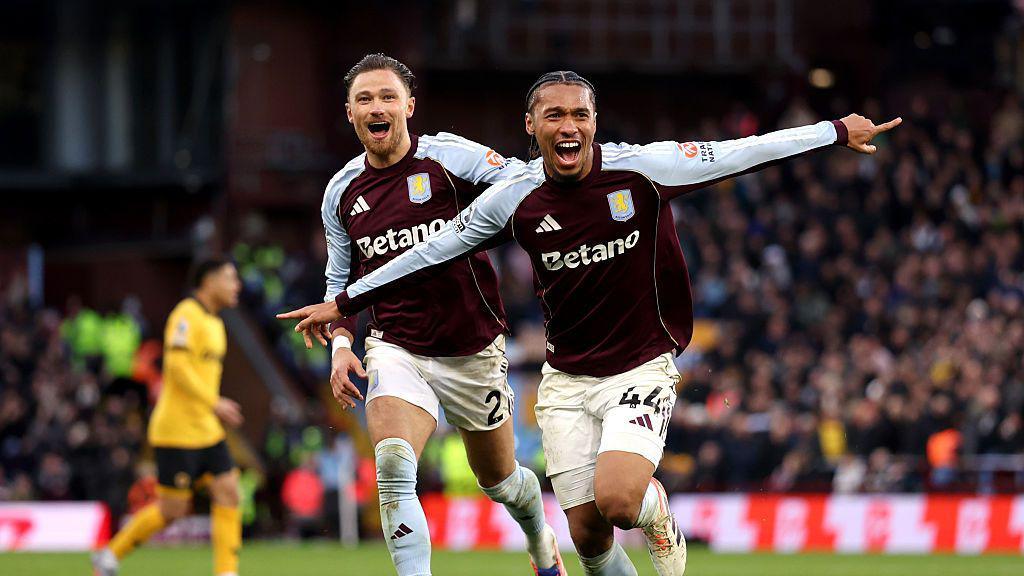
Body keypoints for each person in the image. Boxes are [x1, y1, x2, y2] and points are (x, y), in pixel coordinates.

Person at [280, 70, 901, 575]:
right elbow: (435, 249)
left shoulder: (642, 170)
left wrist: (832, 131)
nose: (568, 126)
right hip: (562, 379)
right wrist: (347, 307)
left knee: (619, 502)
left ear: (595, 123)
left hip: (634, 365)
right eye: (553, 116)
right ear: (532, 128)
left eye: (579, 114)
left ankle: (659, 514)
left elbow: (741, 153)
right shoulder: (512, 197)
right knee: (588, 540)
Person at [280, 54, 564, 576]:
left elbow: (524, 182)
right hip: (397, 346)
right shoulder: (341, 192)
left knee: (502, 481)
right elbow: (341, 284)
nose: (377, 106)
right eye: (364, 99)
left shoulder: (449, 158)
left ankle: (540, 539)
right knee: (391, 463)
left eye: (388, 96)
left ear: (409, 106)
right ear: (349, 113)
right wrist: (342, 348)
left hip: (472, 348)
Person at [93, 257, 245, 576]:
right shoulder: (185, 315)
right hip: (176, 430)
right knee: (172, 510)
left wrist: (212, 407)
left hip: (205, 428)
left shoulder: (216, 323)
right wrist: (213, 401)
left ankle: (226, 572)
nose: (237, 286)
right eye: (230, 278)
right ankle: (109, 554)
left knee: (229, 491)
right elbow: (176, 367)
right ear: (208, 281)